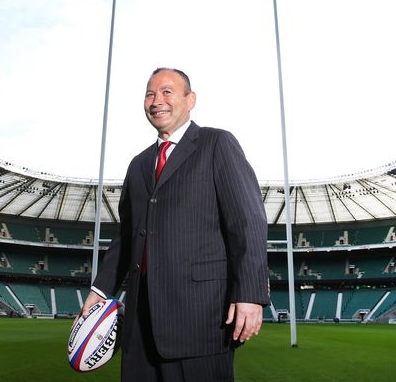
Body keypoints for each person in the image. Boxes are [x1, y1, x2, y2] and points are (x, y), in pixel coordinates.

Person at [80, 68, 269, 382]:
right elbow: (127, 234)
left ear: (190, 99)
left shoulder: (216, 143)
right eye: (150, 94)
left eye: (167, 92)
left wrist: (249, 293)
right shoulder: (138, 164)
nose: (157, 101)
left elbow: (247, 220)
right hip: (139, 326)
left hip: (201, 319)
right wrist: (101, 289)